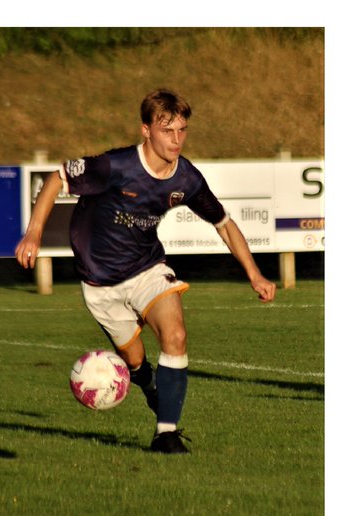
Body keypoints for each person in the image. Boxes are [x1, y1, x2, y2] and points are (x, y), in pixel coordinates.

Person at [15, 88, 276, 454]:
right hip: (100, 284)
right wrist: (34, 232)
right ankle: (149, 384)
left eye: (182, 130)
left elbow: (224, 223)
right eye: (167, 130)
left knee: (176, 336)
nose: (176, 139)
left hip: (147, 269)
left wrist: (255, 274)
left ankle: (165, 434)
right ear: (146, 130)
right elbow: (56, 179)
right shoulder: (115, 166)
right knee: (135, 361)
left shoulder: (186, 179)